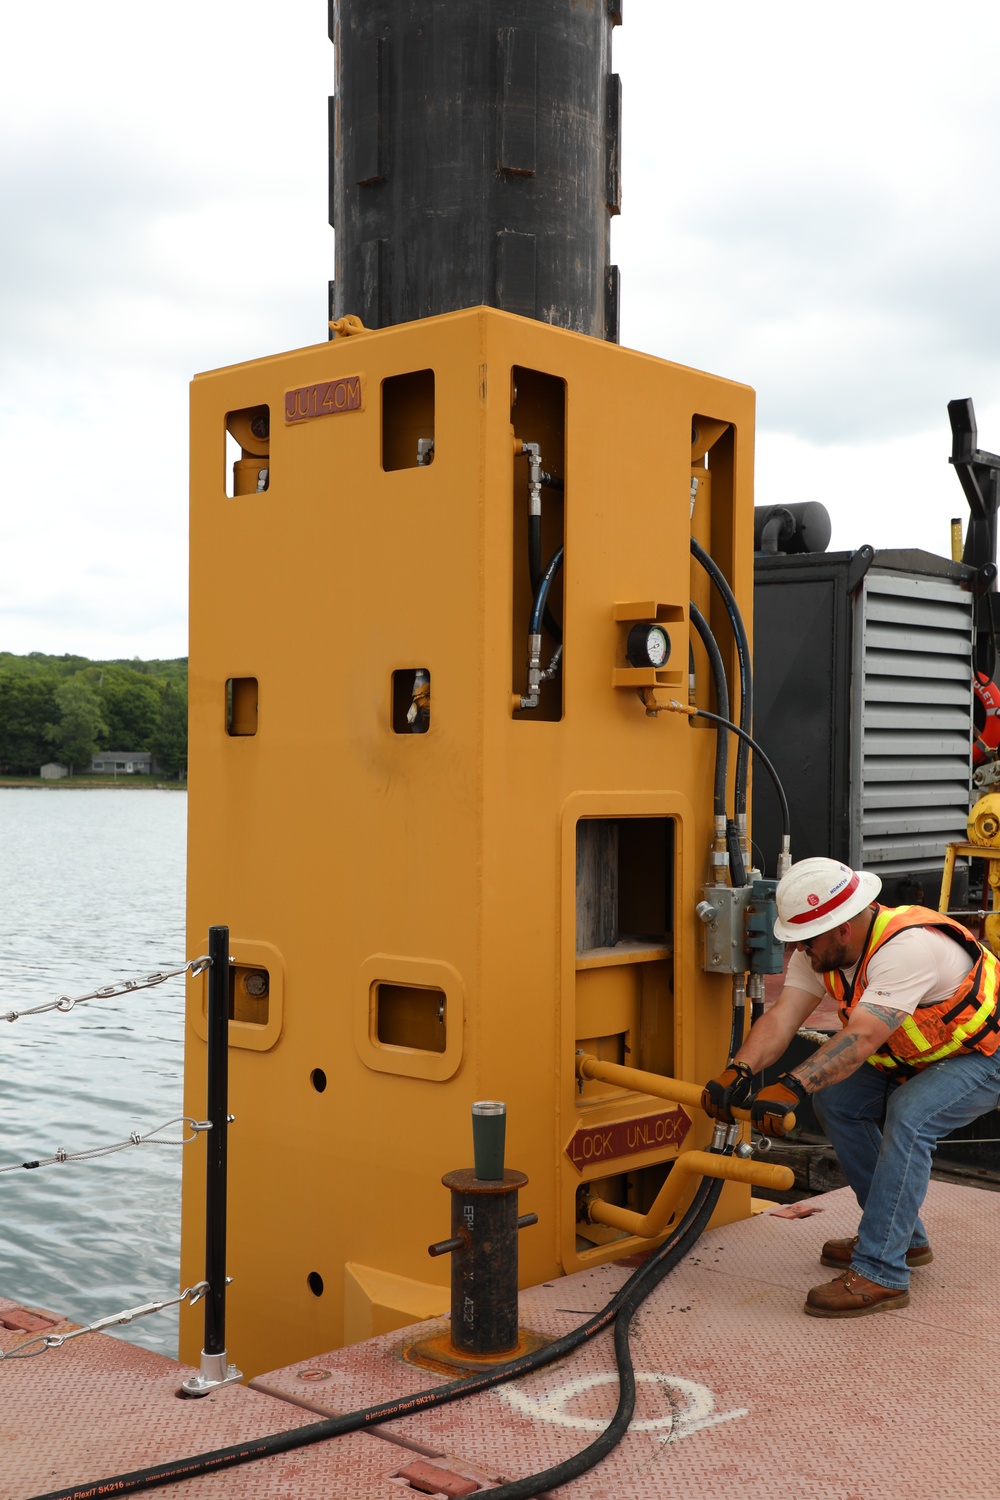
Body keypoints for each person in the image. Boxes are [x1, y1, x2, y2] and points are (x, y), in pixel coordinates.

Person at [702, 856, 1000, 1318]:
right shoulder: (820, 953)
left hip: (985, 1053)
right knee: (839, 1101)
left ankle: (881, 1270)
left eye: (806, 939)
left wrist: (792, 1086)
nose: (799, 950)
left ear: (841, 928)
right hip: (921, 1049)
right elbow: (783, 1018)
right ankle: (905, 1238)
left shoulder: (907, 948)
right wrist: (738, 1070)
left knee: (912, 1116)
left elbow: (861, 1038)